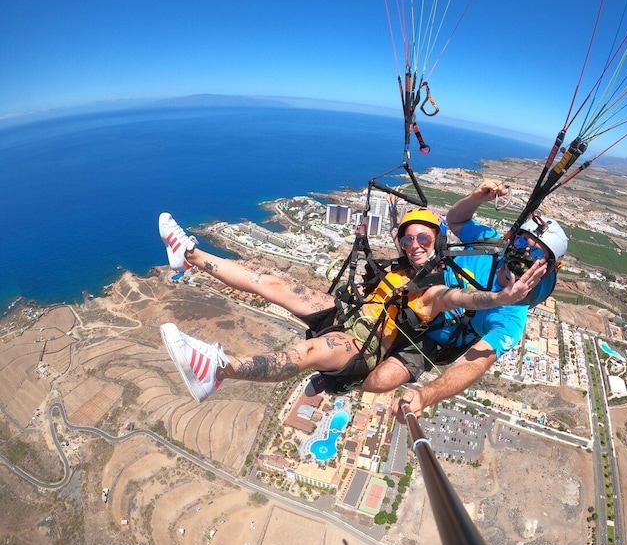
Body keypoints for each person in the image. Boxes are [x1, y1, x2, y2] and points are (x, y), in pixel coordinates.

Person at [157, 209, 545, 402]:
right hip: (349, 313)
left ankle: (219, 369)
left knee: (307, 352)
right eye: (407, 239)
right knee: (275, 284)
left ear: (438, 241)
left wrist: (498, 299)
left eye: (423, 237)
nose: (414, 245)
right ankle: (189, 254)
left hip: (364, 345)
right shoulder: (398, 267)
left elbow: (459, 298)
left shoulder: (434, 288)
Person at [370, 179, 569, 421]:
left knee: (381, 381)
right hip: (417, 290)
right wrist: (476, 198)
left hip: (430, 340)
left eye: (536, 252)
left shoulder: (511, 317)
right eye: (520, 242)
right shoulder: (490, 243)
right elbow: (457, 221)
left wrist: (426, 395)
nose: (525, 252)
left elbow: (474, 364)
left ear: (546, 268)